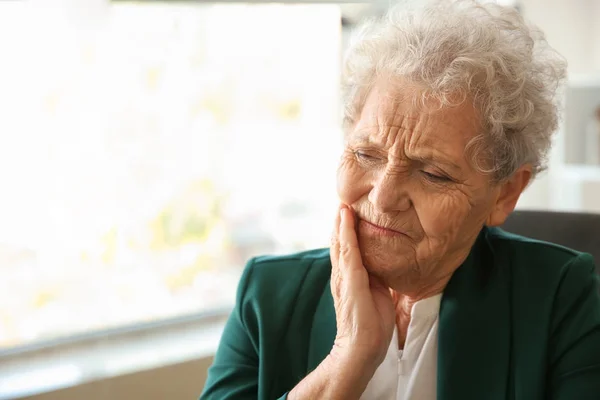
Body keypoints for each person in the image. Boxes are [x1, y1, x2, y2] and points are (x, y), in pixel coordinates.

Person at [200, 1, 600, 399]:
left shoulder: (562, 297)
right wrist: (349, 358)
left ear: (505, 192)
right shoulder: (267, 295)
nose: (384, 195)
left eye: (433, 174)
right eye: (365, 154)